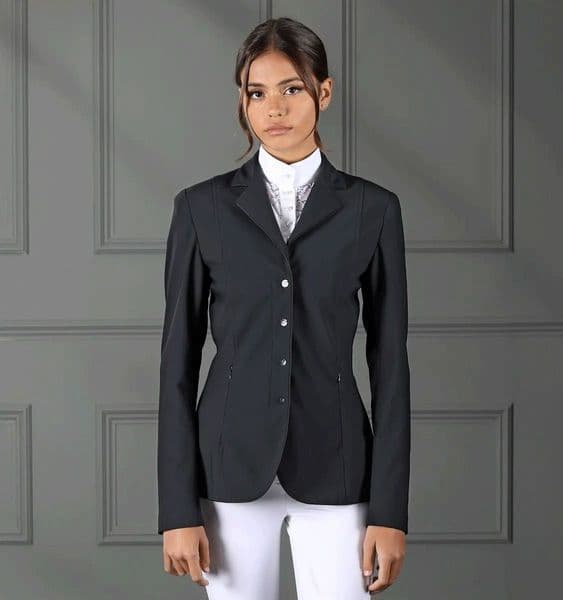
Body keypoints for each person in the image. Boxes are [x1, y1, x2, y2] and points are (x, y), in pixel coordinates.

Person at [158, 16, 410, 599]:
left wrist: (390, 511)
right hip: (228, 468)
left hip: (337, 467)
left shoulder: (373, 210)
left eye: (291, 88)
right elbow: (176, 365)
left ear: (324, 91)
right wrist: (177, 509)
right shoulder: (201, 208)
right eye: (256, 93)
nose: (273, 108)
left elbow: (391, 367)